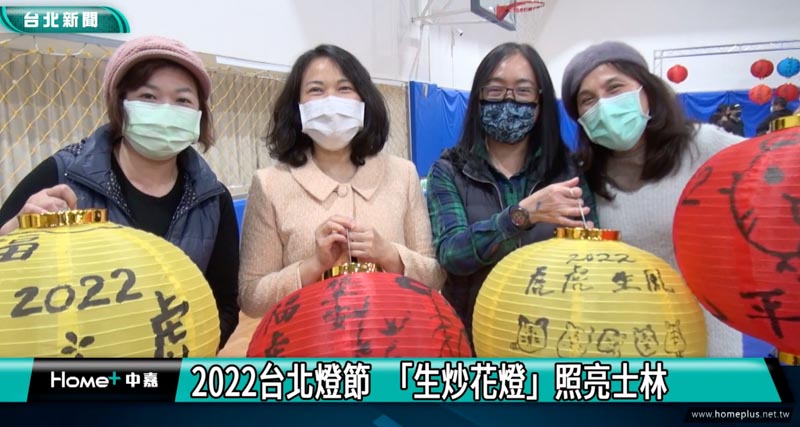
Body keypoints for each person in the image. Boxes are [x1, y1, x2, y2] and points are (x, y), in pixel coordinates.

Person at [0, 35, 240, 349]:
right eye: (148, 96)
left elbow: (224, 303)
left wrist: (189, 353)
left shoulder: (212, 198)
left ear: (199, 114)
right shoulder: (61, 175)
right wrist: (12, 231)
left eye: (183, 100)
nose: (166, 110)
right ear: (120, 104)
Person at [235, 44, 444, 332]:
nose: (331, 100)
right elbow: (251, 297)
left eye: (344, 88)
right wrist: (313, 265)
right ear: (297, 106)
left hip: (394, 343)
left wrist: (388, 254)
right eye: (316, 90)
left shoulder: (402, 174)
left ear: (364, 100)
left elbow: (435, 275)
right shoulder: (270, 184)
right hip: (310, 346)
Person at [560, 41, 745, 357]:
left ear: (646, 90)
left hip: (709, 340)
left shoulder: (704, 146)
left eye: (615, 88)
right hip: (627, 344)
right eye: (587, 99)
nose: (603, 105)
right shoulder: (584, 177)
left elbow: (773, 176)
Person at [426, 42, 596, 341]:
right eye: (495, 90)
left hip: (554, 334)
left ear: (540, 101)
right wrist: (521, 215)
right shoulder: (450, 170)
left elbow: (591, 255)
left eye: (523, 90)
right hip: (475, 335)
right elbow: (452, 254)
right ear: (479, 98)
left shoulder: (568, 172)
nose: (509, 99)